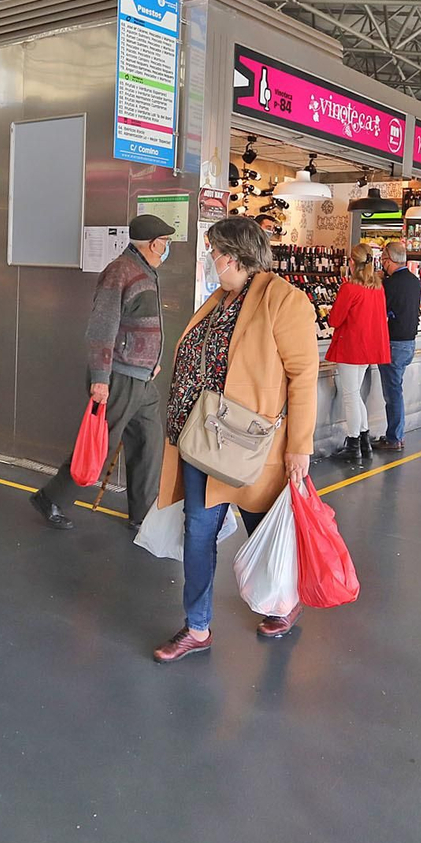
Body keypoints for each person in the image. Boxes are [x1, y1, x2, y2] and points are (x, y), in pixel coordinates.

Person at [152, 217, 318, 662]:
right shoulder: (220, 300)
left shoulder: (284, 300)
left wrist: (299, 447)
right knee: (198, 534)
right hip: (202, 442)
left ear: (235, 254)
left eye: (214, 251)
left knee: (265, 531)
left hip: (251, 448)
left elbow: (304, 377)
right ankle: (197, 626)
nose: (210, 259)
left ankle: (283, 602)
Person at [30, 214, 174, 531]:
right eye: (165, 243)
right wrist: (100, 377)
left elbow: (140, 325)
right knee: (99, 445)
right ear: (153, 244)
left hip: (143, 379)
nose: (166, 248)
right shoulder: (120, 271)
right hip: (120, 376)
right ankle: (52, 497)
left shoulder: (144, 271)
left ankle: (143, 514)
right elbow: (101, 329)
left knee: (149, 446)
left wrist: (152, 359)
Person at [326, 244, 389, 462]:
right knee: (355, 393)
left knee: (350, 395)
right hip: (369, 348)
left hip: (351, 347)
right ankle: (363, 440)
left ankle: (353, 444)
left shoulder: (349, 288)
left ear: (351, 263)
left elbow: (334, 319)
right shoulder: (377, 288)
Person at [375, 241, 421, 453]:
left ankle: (394, 437)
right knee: (396, 389)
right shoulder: (414, 281)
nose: (382, 264)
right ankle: (396, 434)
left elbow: (379, 310)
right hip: (409, 343)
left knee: (392, 393)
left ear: (389, 260)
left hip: (393, 343)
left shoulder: (390, 285)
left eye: (383, 260)